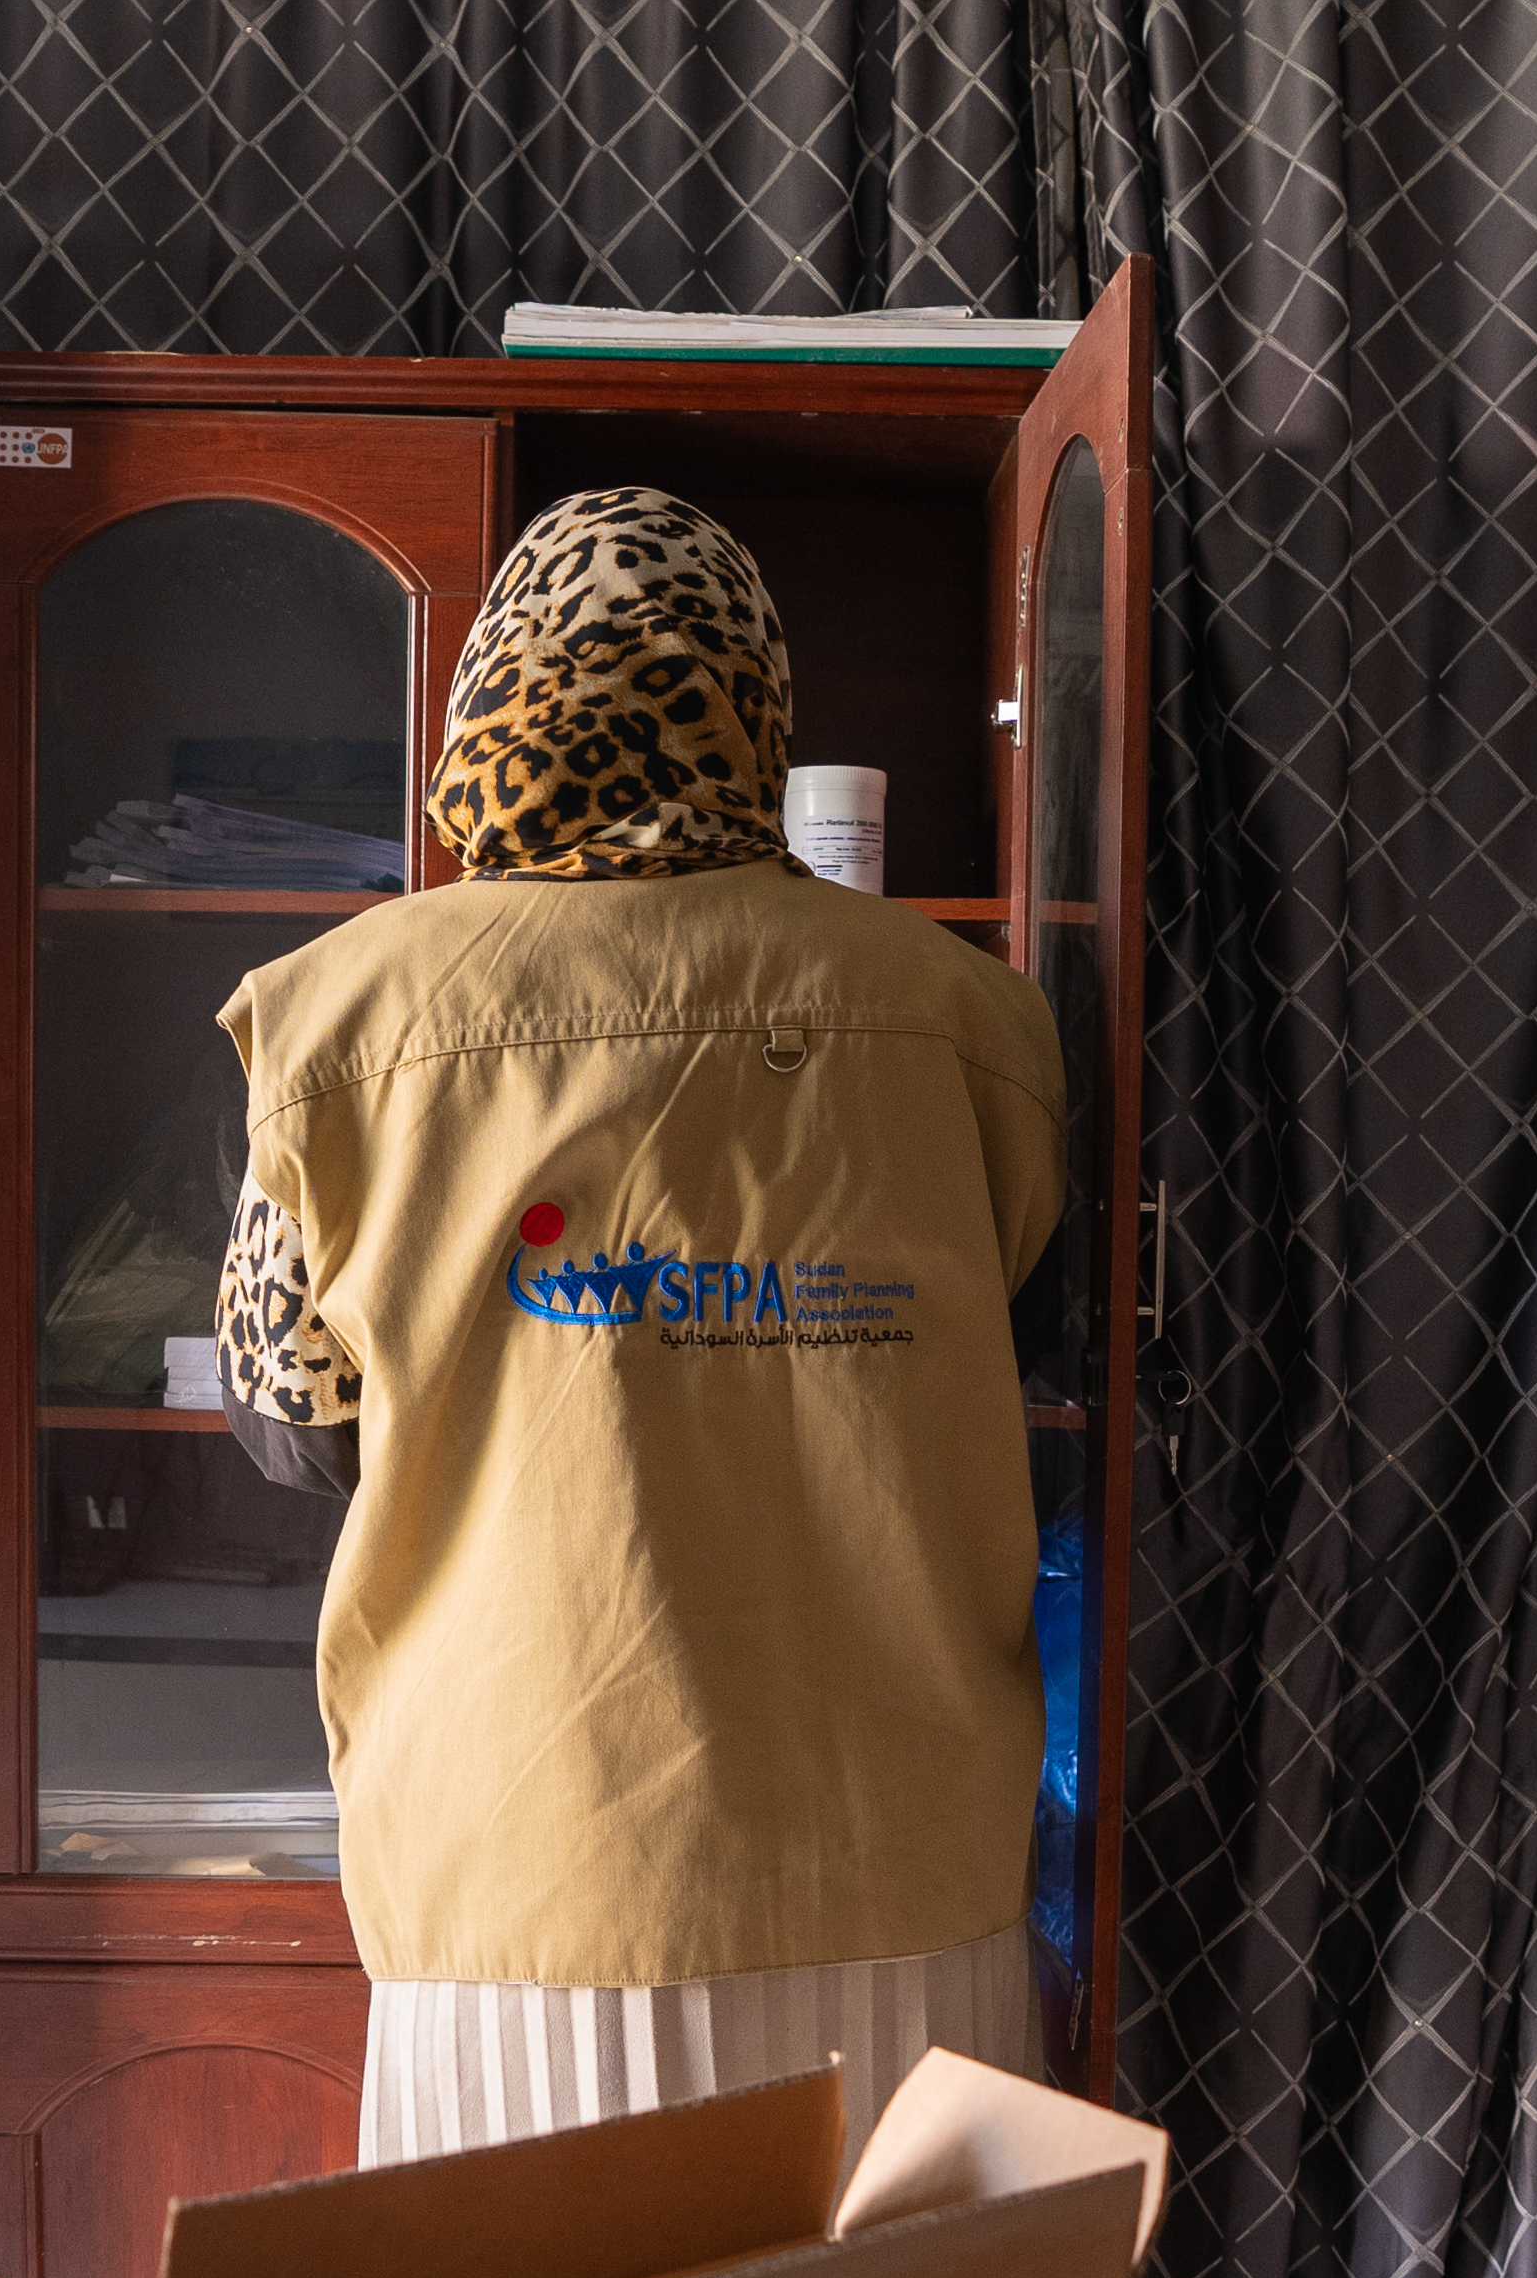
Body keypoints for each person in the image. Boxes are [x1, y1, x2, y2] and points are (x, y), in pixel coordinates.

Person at [218, 486, 1061, 2164]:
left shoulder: (337, 1020)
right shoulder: (972, 1021)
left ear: (487, 697)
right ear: (754, 706)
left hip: (519, 1872)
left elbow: (290, 1427)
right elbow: (1014, 1347)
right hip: (895, 1858)